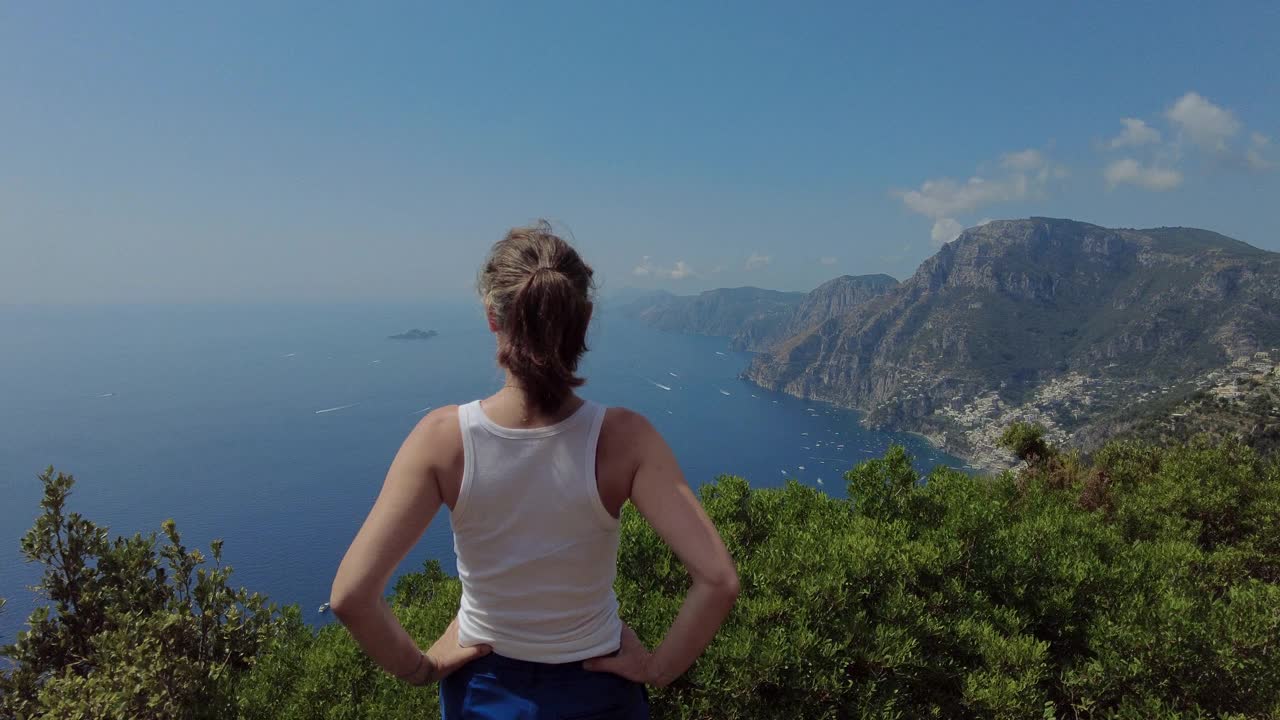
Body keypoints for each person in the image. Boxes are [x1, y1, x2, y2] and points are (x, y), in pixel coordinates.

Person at [329, 221, 740, 718]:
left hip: (483, 690)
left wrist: (421, 668)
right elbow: (718, 581)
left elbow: (352, 596)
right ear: (583, 321)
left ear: (492, 318)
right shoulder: (626, 439)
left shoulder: (442, 439)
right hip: (599, 688)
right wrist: (657, 669)